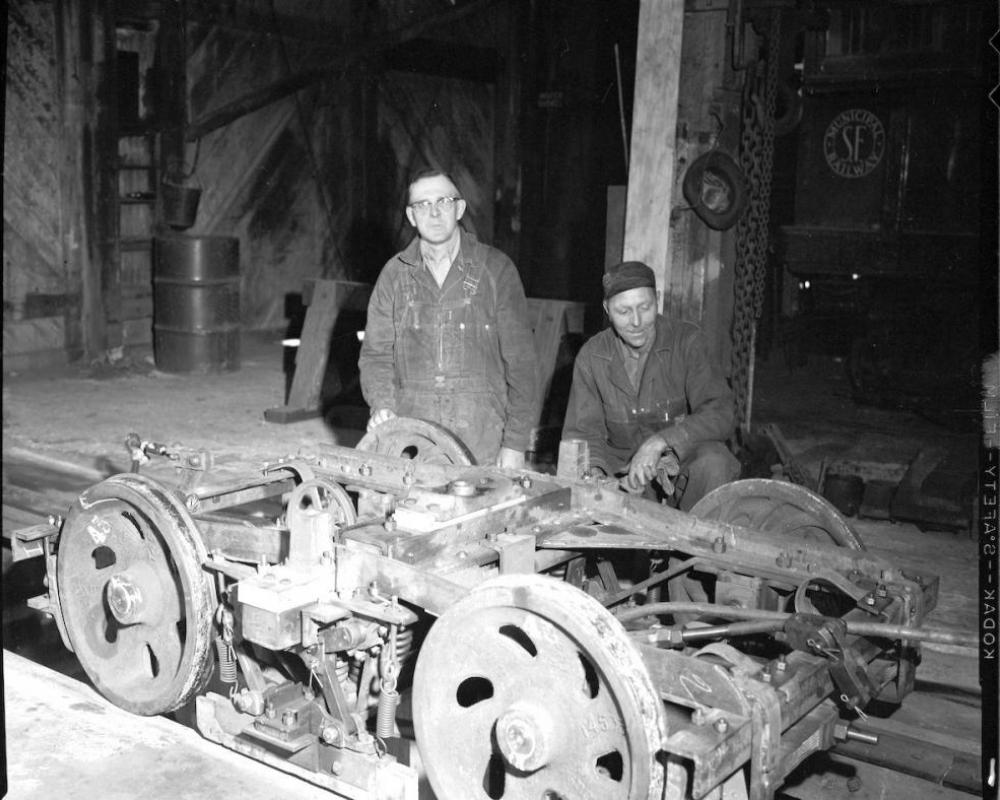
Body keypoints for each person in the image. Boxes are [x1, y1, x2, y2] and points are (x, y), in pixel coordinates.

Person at [358, 168, 538, 468]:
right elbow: (376, 355)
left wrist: (515, 443)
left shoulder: (496, 270)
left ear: (459, 208)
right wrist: (382, 406)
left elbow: (522, 364)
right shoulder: (394, 275)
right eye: (423, 205)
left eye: (443, 201)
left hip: (482, 439)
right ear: (411, 216)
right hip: (414, 440)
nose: (434, 212)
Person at [562, 260, 740, 510]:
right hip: (622, 474)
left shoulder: (687, 343)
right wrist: (599, 478)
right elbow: (582, 433)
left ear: (657, 299)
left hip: (678, 469)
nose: (636, 322)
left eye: (644, 307)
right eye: (623, 312)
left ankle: (696, 544)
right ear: (607, 310)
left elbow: (721, 412)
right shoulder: (592, 357)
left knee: (715, 462)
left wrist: (661, 442)